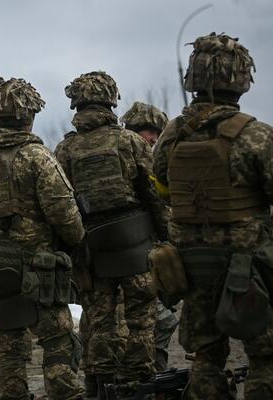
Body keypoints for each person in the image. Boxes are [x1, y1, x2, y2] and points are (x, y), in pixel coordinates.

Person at [152, 33, 273, 399]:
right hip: (249, 265)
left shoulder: (172, 136)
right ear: (241, 79)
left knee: (206, 357)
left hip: (192, 265)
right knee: (267, 351)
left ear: (192, 78)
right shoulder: (256, 136)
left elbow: (160, 179)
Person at [0, 77, 85, 400]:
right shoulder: (37, 158)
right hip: (38, 270)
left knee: (10, 344)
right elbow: (67, 218)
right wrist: (74, 245)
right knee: (57, 341)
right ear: (29, 117)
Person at [55, 71, 167, 399]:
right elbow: (154, 195)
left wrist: (74, 247)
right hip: (135, 245)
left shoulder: (65, 149)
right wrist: (166, 237)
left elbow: (63, 203)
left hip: (93, 249)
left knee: (99, 319)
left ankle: (99, 386)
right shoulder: (128, 142)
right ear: (110, 100)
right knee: (141, 319)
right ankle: (138, 385)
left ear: (77, 103)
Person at [121, 101, 179, 371]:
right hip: (134, 257)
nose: (154, 138)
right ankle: (151, 378)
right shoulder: (138, 157)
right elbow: (158, 204)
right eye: (149, 131)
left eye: (157, 132)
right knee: (160, 322)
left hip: (119, 257)